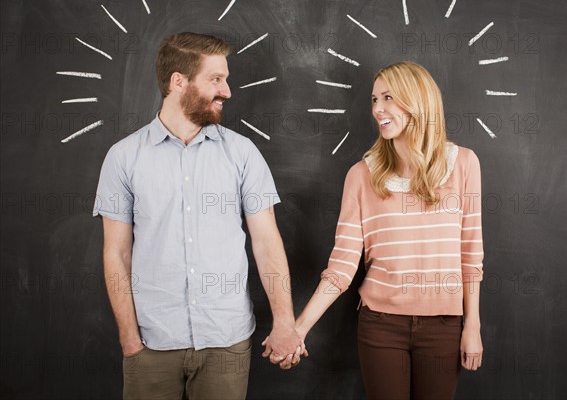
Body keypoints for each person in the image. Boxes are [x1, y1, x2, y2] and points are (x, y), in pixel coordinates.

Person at [93, 32, 304, 400]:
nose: (227, 91)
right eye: (215, 79)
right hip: (152, 342)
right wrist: (129, 340)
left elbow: (267, 241)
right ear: (179, 82)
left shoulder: (242, 153)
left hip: (227, 341)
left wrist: (285, 320)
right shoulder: (123, 157)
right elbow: (116, 253)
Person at [268, 61, 484, 399]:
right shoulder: (361, 175)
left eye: (388, 98)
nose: (377, 109)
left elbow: (471, 256)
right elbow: (341, 266)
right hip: (381, 326)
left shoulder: (465, 165)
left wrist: (473, 325)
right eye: (374, 100)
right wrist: (298, 329)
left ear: (418, 101)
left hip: (444, 326)